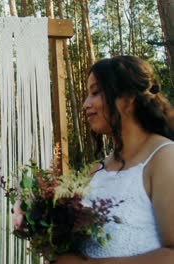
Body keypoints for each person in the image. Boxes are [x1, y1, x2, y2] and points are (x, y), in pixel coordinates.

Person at [54, 56, 174, 263]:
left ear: (128, 97)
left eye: (95, 92)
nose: (85, 104)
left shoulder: (164, 158)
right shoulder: (95, 171)